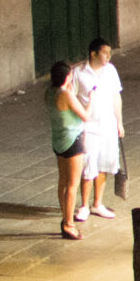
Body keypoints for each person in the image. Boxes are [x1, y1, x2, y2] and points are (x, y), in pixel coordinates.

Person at [73, 39, 125, 219]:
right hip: (89, 126)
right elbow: (72, 98)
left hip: (108, 124)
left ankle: (98, 203)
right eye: (105, 53)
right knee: (88, 164)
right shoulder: (78, 73)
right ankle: (84, 205)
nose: (108, 57)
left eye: (109, 53)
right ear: (93, 53)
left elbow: (116, 97)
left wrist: (119, 122)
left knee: (104, 163)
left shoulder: (110, 70)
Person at [49, 60, 90, 239]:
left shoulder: (50, 92)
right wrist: (92, 98)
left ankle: (64, 216)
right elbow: (85, 116)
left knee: (63, 181)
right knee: (73, 184)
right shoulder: (66, 95)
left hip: (58, 140)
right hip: (73, 140)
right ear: (67, 77)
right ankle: (69, 224)